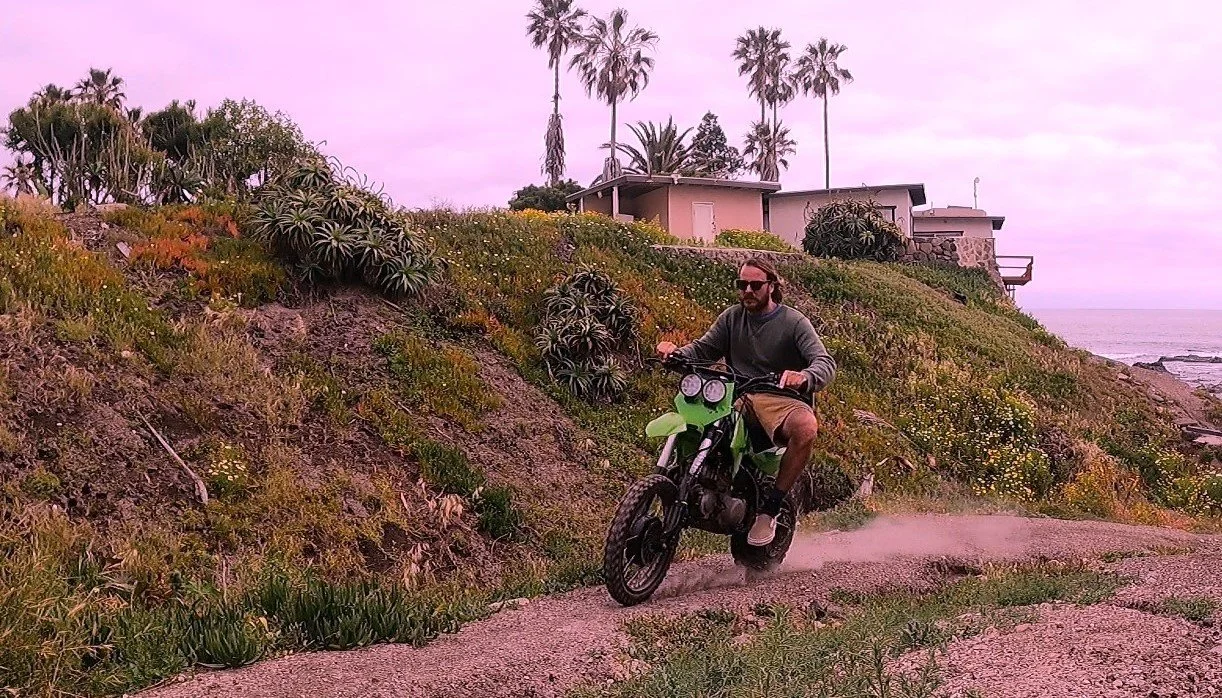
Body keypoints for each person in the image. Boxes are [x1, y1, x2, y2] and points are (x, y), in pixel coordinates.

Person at [656, 257, 836, 546]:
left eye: (755, 284)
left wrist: (803, 377)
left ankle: (770, 510)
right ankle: (684, 482)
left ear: (772, 286)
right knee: (697, 418)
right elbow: (704, 348)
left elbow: (824, 362)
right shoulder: (731, 317)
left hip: (779, 398)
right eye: (742, 285)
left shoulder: (793, 322)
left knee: (806, 427)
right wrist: (675, 353)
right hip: (736, 394)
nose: (748, 290)